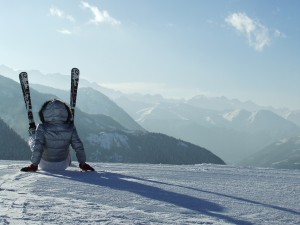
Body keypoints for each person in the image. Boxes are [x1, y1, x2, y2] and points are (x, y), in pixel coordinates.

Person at [21, 99, 94, 172]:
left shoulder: (41, 127)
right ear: (66, 112)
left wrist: (34, 165)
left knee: (35, 141)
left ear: (44, 113)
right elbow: (79, 147)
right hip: (63, 164)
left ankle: (32, 132)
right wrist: (82, 163)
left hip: (43, 164)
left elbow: (38, 147)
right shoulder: (71, 128)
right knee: (68, 143)